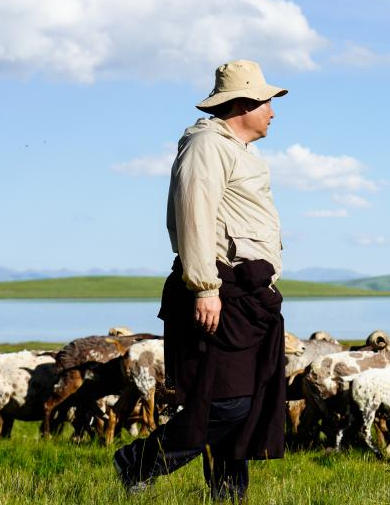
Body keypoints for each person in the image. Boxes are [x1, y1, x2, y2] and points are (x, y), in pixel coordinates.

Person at [113, 59, 288, 501]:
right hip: (219, 289)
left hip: (248, 294)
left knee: (245, 400)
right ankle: (138, 462)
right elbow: (194, 215)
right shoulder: (207, 145)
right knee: (227, 402)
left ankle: (228, 495)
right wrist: (205, 287)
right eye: (266, 102)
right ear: (243, 103)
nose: (273, 111)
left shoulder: (237, 150)